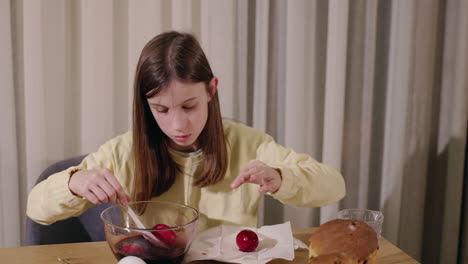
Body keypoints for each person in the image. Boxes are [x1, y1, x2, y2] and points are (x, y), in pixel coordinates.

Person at [27, 31, 345, 231]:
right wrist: (74, 182)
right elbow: (36, 208)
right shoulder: (123, 151)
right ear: (145, 104)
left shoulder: (249, 144)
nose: (178, 126)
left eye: (189, 106)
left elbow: (333, 186)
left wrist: (280, 177)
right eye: (162, 110)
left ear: (211, 90)